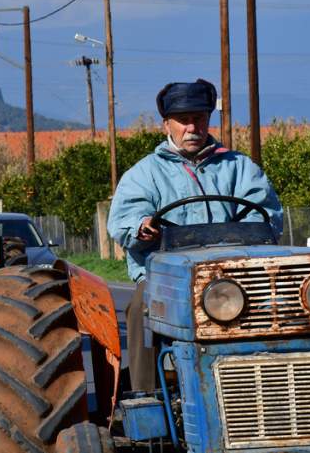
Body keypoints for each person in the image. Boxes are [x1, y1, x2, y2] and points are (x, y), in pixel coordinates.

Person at [107, 79, 283, 392]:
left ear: (207, 121)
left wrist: (253, 227)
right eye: (183, 120)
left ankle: (274, 386)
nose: (192, 127)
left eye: (199, 119)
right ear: (167, 125)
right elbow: (122, 222)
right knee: (140, 308)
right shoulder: (145, 173)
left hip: (235, 272)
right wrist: (141, 226)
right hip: (165, 279)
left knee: (286, 303)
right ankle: (147, 397)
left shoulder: (239, 167)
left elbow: (266, 215)